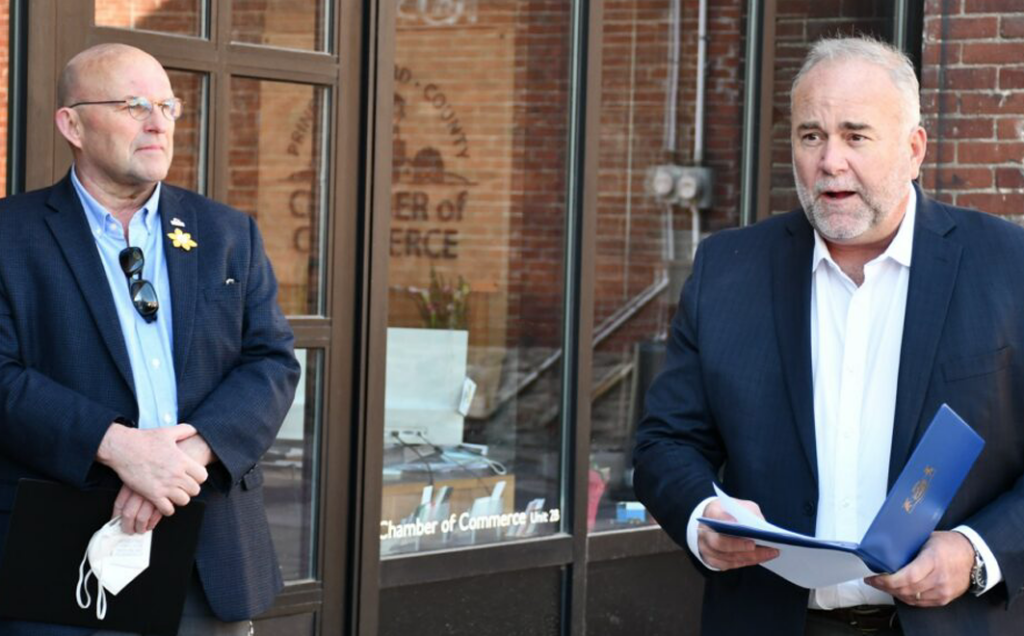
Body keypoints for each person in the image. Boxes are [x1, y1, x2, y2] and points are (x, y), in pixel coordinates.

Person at [633, 36, 1024, 635]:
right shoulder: (728, 269)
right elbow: (665, 443)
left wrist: (976, 552)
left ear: (914, 148)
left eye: (855, 135)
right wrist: (701, 516)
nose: (830, 160)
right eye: (811, 135)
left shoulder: (1005, 264)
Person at [0, 43, 301, 635]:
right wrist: (117, 448)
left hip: (209, 551)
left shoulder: (226, 233)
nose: (157, 121)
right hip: (60, 550)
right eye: (134, 104)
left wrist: (186, 458)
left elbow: (271, 361)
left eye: (167, 106)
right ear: (73, 124)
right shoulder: (12, 235)